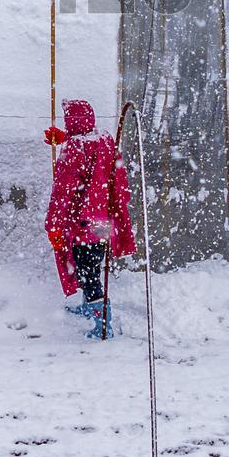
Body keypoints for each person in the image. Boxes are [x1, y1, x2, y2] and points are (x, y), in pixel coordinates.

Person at [44, 98, 136, 339]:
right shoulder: (105, 139)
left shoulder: (74, 149)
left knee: (88, 275)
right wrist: (65, 138)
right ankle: (90, 308)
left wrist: (53, 225)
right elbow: (94, 157)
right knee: (92, 267)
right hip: (101, 223)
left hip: (82, 224)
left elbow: (63, 192)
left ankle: (103, 325)